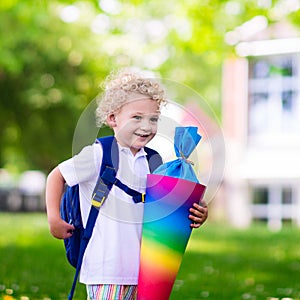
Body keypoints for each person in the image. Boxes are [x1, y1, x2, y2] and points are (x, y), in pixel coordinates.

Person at [45, 69, 208, 300]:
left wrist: (198, 213)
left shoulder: (153, 162)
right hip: (105, 269)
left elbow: (167, 209)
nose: (147, 126)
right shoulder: (98, 154)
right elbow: (56, 176)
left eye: (153, 119)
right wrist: (53, 218)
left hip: (144, 272)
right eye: (137, 117)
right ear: (113, 119)